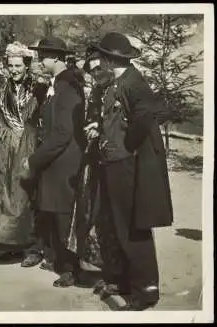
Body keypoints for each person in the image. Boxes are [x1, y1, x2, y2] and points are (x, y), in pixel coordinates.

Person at [82, 32, 173, 310]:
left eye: (102, 58)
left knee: (133, 228)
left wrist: (127, 146)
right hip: (114, 161)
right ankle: (123, 280)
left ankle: (145, 292)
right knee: (118, 226)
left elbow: (147, 116)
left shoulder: (133, 82)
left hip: (126, 164)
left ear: (111, 59)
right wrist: (100, 129)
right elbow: (116, 117)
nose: (99, 63)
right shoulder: (116, 81)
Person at [21, 37, 87, 286]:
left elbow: (62, 133)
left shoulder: (67, 86)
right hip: (56, 160)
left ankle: (71, 269)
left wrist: (35, 160)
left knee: (63, 215)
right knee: (54, 211)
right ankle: (58, 259)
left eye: (44, 55)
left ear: (57, 58)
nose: (39, 59)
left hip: (64, 161)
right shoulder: (59, 83)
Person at [0, 41, 44, 267]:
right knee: (2, 194)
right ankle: (12, 244)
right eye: (11, 65)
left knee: (26, 195)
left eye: (18, 65)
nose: (14, 69)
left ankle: (34, 247)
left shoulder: (39, 87)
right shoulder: (1, 88)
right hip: (3, 146)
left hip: (28, 144)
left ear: (27, 65)